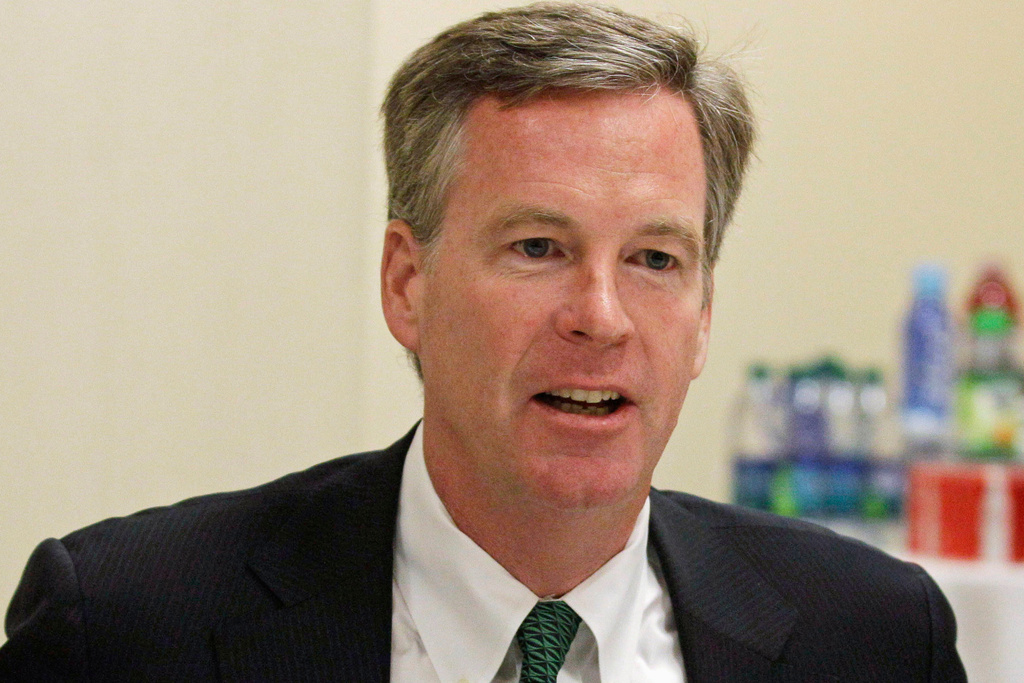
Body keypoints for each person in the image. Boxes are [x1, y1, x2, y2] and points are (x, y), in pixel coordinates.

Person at [1, 3, 965, 681]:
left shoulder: (876, 638)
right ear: (406, 285)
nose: (602, 314)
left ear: (705, 311)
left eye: (655, 259)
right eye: (539, 247)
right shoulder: (125, 630)